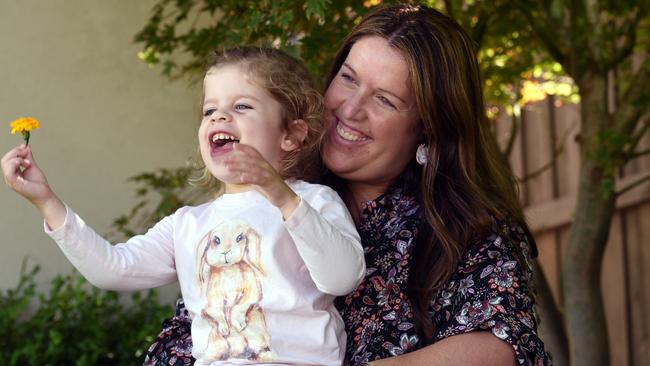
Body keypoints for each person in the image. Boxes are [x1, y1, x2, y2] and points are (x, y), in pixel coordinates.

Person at [143, 3, 552, 366]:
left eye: (385, 100)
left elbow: (501, 347)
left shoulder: (464, 226)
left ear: (429, 127)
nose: (350, 109)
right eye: (349, 79)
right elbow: (188, 336)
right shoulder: (267, 198)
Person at [1, 47, 366, 366]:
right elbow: (113, 269)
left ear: (291, 135)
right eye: (210, 110)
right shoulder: (188, 224)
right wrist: (47, 202)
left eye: (241, 106)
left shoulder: (312, 201)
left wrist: (280, 194)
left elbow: (343, 277)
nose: (219, 118)